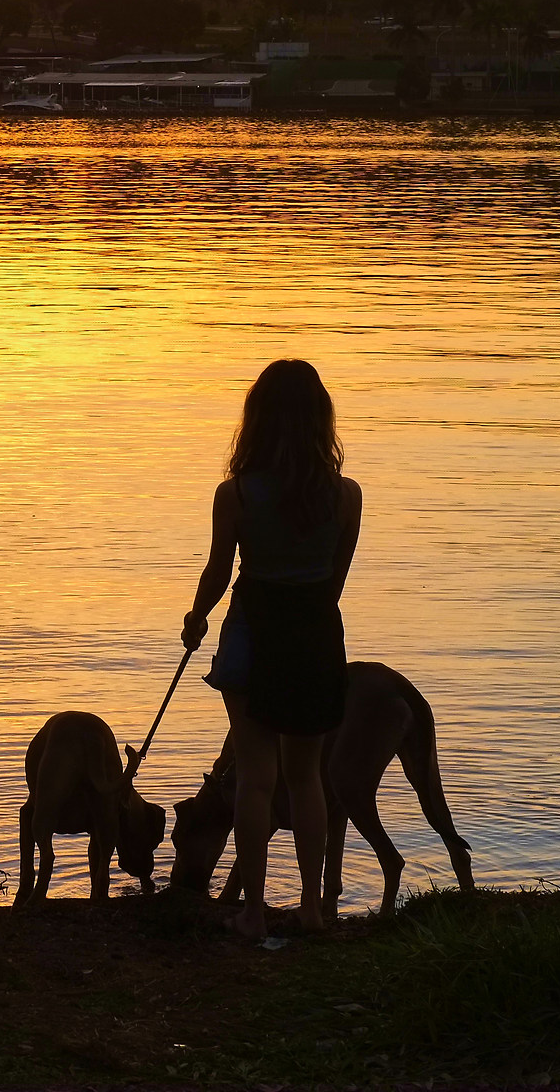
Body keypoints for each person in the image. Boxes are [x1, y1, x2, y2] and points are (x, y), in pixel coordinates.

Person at [180, 358, 362, 938]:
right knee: (306, 779)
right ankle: (311, 908)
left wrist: (196, 616)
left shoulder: (234, 494)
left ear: (255, 421)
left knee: (256, 778)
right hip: (313, 635)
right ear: (320, 422)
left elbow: (218, 570)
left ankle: (253, 913)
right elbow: (334, 584)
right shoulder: (347, 497)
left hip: (252, 635)